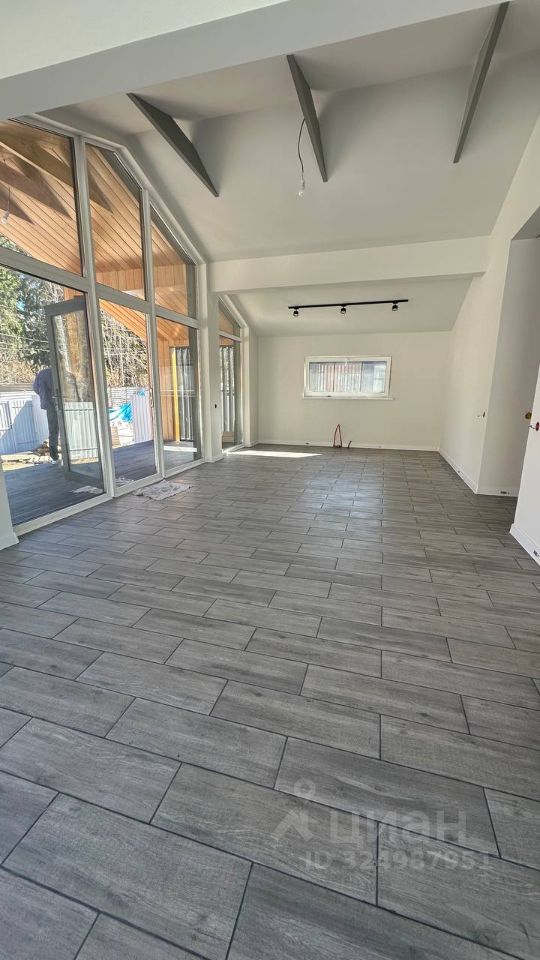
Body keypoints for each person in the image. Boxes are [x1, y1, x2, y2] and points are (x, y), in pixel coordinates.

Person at [33, 367, 59, 461]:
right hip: (61, 403)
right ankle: (68, 455)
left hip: (49, 405)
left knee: (53, 431)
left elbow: (35, 388)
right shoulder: (60, 371)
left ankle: (54, 457)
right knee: (67, 429)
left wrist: (44, 396)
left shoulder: (42, 373)